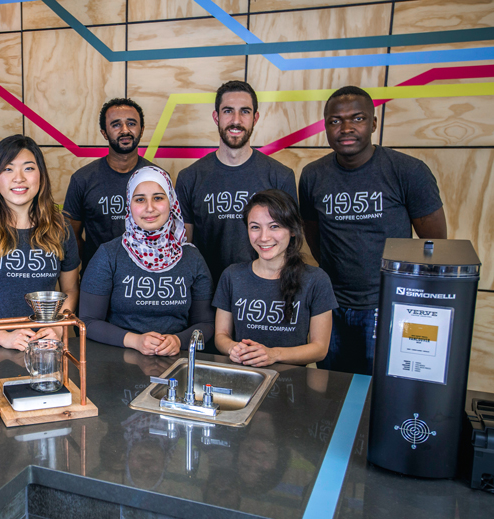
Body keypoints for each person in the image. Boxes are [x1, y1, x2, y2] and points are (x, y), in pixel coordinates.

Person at [299, 86, 446, 375]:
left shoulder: (408, 171)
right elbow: (314, 236)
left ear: (374, 123)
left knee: (381, 390)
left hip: (387, 305)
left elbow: (435, 246)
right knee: (332, 386)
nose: (346, 128)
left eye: (358, 118)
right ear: (326, 126)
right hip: (331, 305)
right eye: (335, 121)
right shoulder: (313, 175)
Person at [0, 135, 80, 351]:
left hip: (45, 347)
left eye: (28, 168)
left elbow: (71, 290)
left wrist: (58, 327)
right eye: (8, 169)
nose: (18, 178)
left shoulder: (61, 227)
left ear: (41, 176)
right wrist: (2, 336)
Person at [80, 167, 213, 355]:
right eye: (140, 199)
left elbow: (206, 324)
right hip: (116, 365)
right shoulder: (109, 255)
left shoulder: (192, 258)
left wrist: (178, 340)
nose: (149, 208)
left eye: (158, 198)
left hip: (176, 365)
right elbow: (87, 322)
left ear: (171, 202)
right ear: (129, 205)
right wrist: (135, 341)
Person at [175, 81, 297, 283]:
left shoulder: (280, 176)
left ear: (255, 118)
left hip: (262, 291)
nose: (236, 120)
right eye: (228, 111)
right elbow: (183, 246)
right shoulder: (190, 177)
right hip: (206, 292)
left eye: (245, 112)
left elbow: (290, 245)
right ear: (216, 117)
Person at [213, 190, 337, 367]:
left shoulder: (317, 280)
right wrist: (234, 348)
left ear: (293, 230)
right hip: (244, 375)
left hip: (294, 380)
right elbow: (221, 336)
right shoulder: (232, 275)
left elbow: (320, 349)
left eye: (275, 226)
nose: (264, 237)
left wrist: (273, 354)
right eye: (255, 227)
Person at [63, 98, 154, 271]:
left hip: (144, 278)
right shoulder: (82, 179)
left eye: (131, 123)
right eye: (116, 125)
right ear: (104, 133)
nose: (125, 130)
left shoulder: (157, 178)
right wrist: (97, 264)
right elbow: (72, 237)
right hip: (97, 279)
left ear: (141, 130)